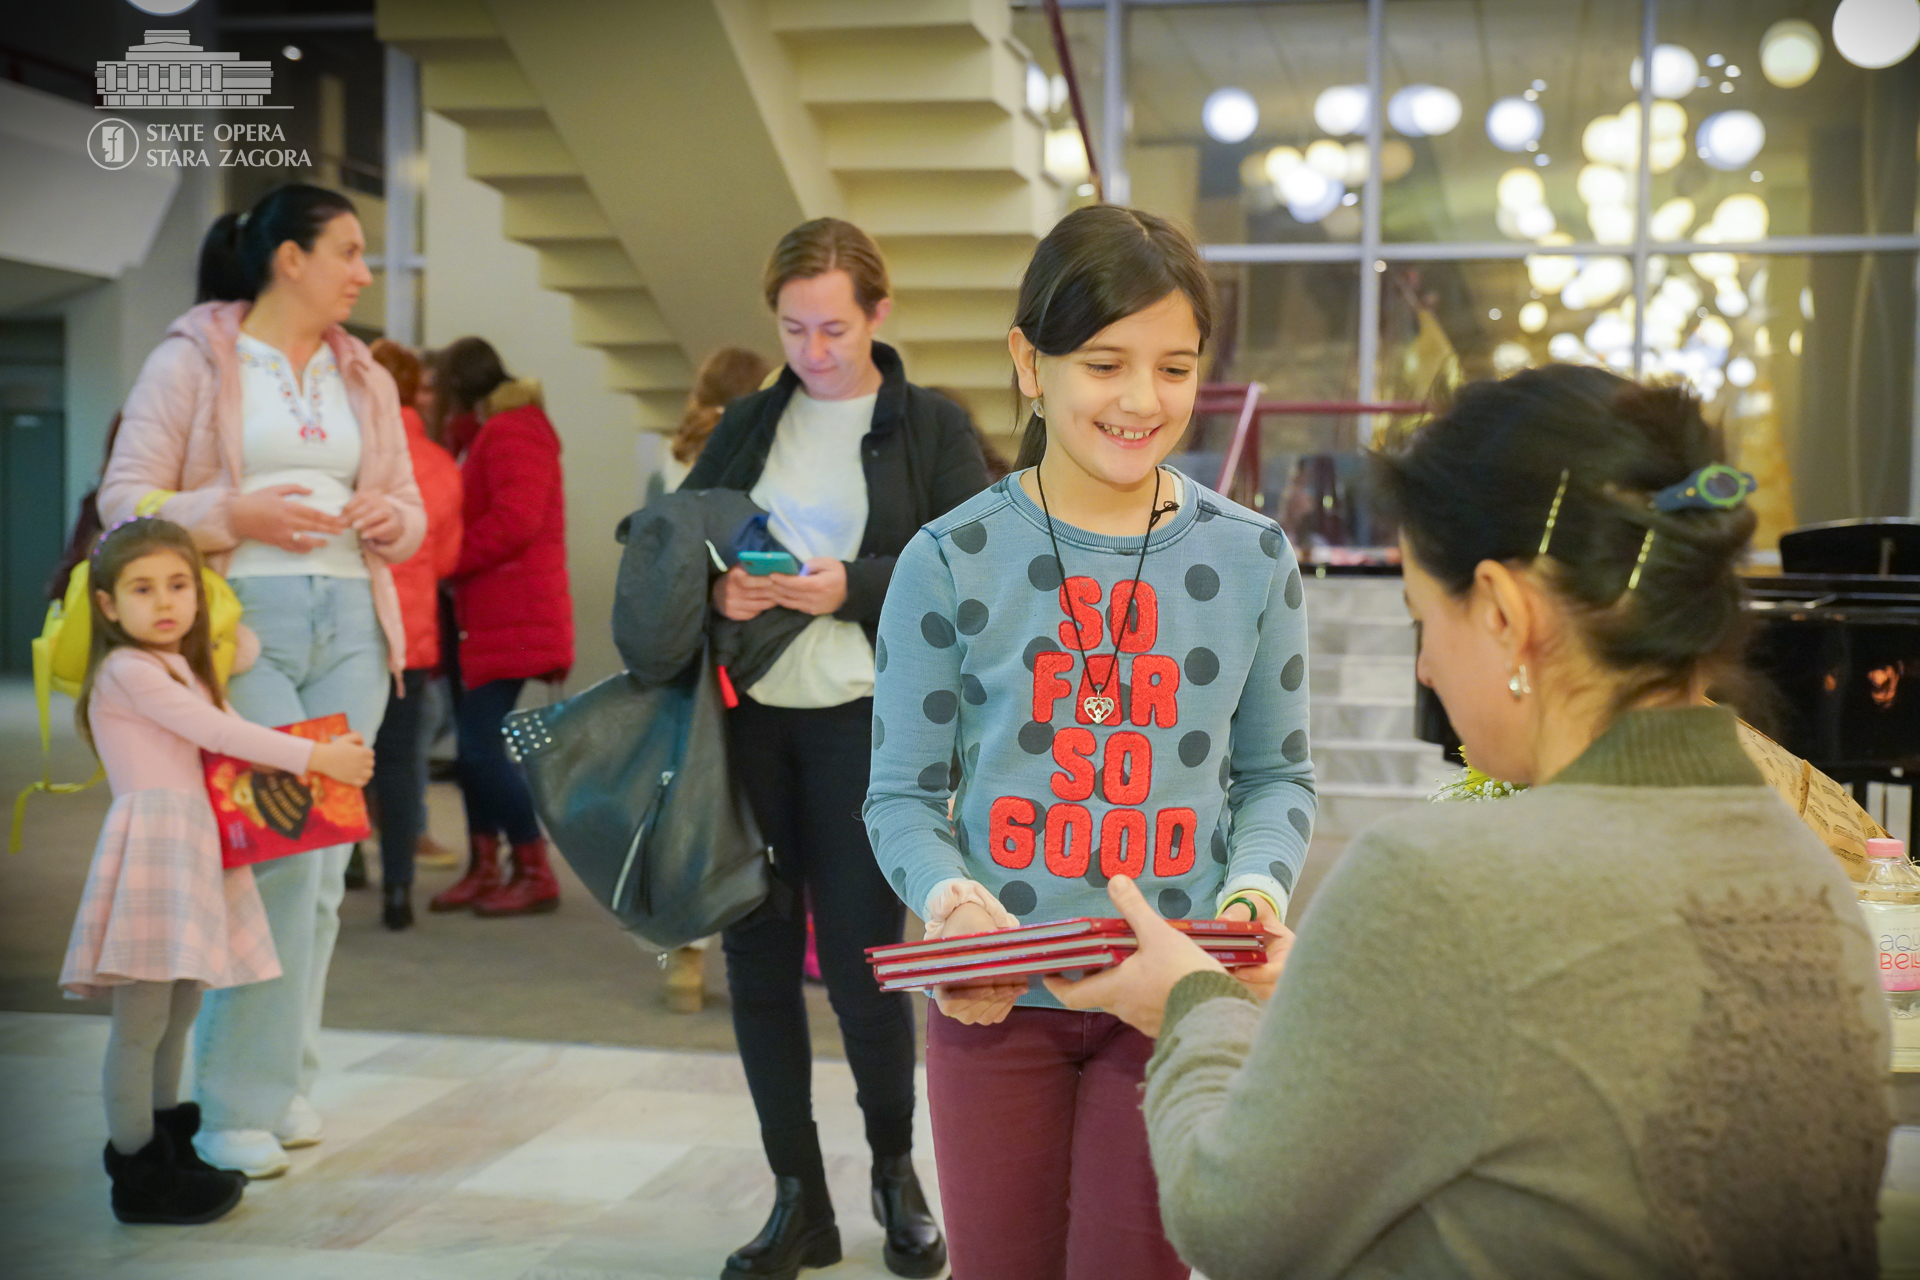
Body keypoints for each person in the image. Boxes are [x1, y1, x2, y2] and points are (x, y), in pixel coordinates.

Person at [1054, 364, 1891, 1279]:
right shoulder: (1819, 886)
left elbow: (1233, 1222)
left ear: (1501, 611)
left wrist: (1192, 1006)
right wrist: (1330, 1000)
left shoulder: (1439, 883)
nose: (1425, 671)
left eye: (1424, 620)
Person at [863, 203, 1312, 1280]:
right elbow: (903, 797)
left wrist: (1254, 895)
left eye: (1174, 367)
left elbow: (1276, 777)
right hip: (996, 1003)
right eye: (1105, 364)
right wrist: (952, 900)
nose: (1142, 399)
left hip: (1174, 989)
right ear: (1030, 363)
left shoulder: (1252, 557)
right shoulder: (949, 557)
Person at [98, 183, 425, 1179]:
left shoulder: (363, 371)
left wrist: (390, 519)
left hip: (354, 626)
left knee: (322, 870)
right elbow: (124, 501)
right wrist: (232, 515)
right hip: (246, 628)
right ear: (290, 259)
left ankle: (282, 1083)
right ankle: (234, 1103)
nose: (363, 272)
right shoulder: (192, 358)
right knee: (283, 852)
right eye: (348, 251)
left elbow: (409, 507)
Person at [684, 216, 990, 1280]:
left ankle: (896, 1177)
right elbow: (679, 542)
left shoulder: (932, 425)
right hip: (752, 718)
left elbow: (972, 565)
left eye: (833, 328)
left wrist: (848, 587)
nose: (813, 350)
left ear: (878, 314)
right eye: (793, 329)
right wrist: (720, 588)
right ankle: (797, 1199)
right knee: (758, 960)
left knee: (866, 967)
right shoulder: (747, 423)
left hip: (867, 723)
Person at [61, 518, 374, 1224]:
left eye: (180, 586)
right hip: (156, 850)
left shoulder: (182, 667)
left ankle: (171, 1148)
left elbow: (230, 708)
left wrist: (229, 633)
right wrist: (321, 760)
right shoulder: (129, 670)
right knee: (141, 1020)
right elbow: (223, 734)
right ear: (108, 605)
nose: (164, 602)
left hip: (193, 849)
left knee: (178, 1013)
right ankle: (139, 1173)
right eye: (143, 589)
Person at [644, 345, 775, 1012]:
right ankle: (761, 946)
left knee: (690, 805)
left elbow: (650, 551)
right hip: (749, 651)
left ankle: (684, 960)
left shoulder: (671, 455)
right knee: (753, 804)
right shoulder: (763, 454)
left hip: (682, 648)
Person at [427, 337, 572, 917]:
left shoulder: (514, 429)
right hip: (482, 615)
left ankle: (534, 867)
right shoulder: (488, 432)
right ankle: (485, 865)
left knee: (482, 747)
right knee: (473, 751)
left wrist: (449, 561)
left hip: (511, 613)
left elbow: (517, 518)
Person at [366, 339, 463, 930]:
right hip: (413, 634)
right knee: (400, 761)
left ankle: (346, 865)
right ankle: (398, 889)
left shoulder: (347, 455)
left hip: (350, 626)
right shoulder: (439, 464)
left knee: (338, 748)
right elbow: (447, 558)